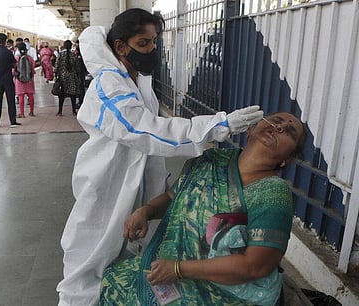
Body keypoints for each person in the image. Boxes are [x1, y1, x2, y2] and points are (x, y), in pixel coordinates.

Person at [57, 8, 263, 305]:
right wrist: (217, 126)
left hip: (130, 185)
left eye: (154, 42)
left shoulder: (136, 79)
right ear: (120, 46)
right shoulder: (108, 84)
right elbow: (145, 131)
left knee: (120, 261)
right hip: (107, 187)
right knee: (88, 265)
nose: (152, 49)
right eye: (144, 43)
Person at [100, 112, 306, 305]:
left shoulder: (273, 193)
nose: (279, 128)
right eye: (277, 121)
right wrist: (145, 211)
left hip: (232, 291)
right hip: (181, 268)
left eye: (289, 132)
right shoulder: (211, 160)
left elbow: (256, 266)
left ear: (286, 159)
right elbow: (174, 196)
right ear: (251, 129)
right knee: (114, 279)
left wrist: (178, 269)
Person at [0, 33, 21, 128]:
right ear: (5, 41)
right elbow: (14, 65)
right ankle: (12, 121)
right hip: (7, 78)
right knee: (10, 100)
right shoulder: (8, 52)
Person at [55, 40, 81, 116]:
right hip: (72, 77)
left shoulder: (60, 54)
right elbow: (77, 67)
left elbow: (57, 65)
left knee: (62, 95)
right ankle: (73, 111)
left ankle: (60, 111)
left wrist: (56, 75)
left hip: (63, 77)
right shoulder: (74, 55)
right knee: (73, 95)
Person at [13, 42, 36, 117]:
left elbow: (13, 70)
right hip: (29, 79)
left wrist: (14, 75)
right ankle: (31, 111)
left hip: (19, 80)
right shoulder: (29, 58)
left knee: (21, 96)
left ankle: (22, 113)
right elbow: (33, 69)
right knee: (30, 96)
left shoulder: (16, 58)